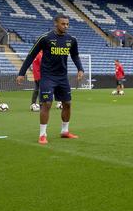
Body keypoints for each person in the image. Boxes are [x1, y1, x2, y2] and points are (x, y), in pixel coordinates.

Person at [17, 14, 84, 145]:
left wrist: (80, 69)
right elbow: (31, 55)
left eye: (67, 24)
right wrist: (21, 73)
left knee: (68, 103)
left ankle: (65, 131)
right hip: (47, 77)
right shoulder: (45, 38)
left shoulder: (71, 40)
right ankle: (42, 135)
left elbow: (75, 55)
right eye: (63, 24)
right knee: (47, 104)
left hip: (63, 77)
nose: (66, 26)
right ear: (56, 24)